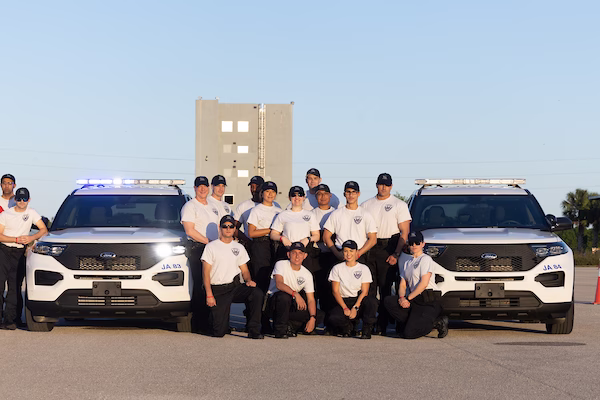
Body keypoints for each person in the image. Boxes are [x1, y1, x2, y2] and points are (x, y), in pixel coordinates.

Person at [360, 173, 412, 335]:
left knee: (385, 288)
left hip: (389, 246)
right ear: (376, 185)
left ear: (391, 186)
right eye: (381, 184)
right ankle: (369, 323)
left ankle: (383, 324)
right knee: (369, 288)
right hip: (370, 247)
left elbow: (404, 232)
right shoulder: (366, 205)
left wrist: (396, 254)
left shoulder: (399, 204)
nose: (383, 188)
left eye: (387, 185)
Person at [201, 215, 264, 339]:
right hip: (217, 289)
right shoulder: (211, 247)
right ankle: (215, 322)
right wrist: (209, 294)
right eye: (225, 226)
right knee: (219, 332)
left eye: (231, 226)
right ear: (220, 228)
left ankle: (254, 330)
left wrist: (248, 280)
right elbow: (205, 273)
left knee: (256, 293)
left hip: (234, 287)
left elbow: (245, 270)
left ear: (235, 228)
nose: (228, 229)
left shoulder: (239, 247)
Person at [384, 231, 448, 339]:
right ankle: (411, 323)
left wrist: (408, 298)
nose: (414, 246)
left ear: (423, 244)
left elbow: (423, 284)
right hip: (414, 300)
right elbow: (403, 285)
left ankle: (437, 323)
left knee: (409, 333)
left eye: (417, 243)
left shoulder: (425, 259)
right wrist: (401, 298)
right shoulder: (407, 262)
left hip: (428, 300)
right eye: (411, 243)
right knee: (389, 301)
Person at [0, 188, 47, 330]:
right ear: (15, 199)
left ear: (29, 200)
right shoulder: (5, 214)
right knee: (0, 285)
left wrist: (31, 238)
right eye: (19, 199)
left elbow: (44, 230)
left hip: (19, 253)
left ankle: (12, 320)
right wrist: (15, 239)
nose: (21, 202)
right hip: (4, 250)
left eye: (24, 199)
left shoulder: (31, 213)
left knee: (15, 287)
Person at [180, 176, 219, 332]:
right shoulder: (190, 206)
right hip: (199, 248)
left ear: (208, 187)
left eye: (205, 186)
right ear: (195, 188)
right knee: (201, 284)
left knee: (214, 284)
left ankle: (214, 321)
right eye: (199, 186)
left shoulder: (213, 206)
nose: (203, 189)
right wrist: (208, 242)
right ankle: (199, 323)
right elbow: (189, 230)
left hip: (214, 248)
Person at [265, 242, 323, 338]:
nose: (297, 256)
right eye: (294, 253)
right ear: (288, 254)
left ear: (305, 256)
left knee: (319, 315)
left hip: (291, 303)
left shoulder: (307, 274)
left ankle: (291, 326)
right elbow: (279, 284)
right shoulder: (280, 264)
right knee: (284, 297)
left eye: (300, 253)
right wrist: (295, 294)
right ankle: (280, 330)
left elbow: (311, 299)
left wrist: (312, 318)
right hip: (275, 303)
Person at [327, 240, 378, 339]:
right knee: (333, 318)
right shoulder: (337, 268)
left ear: (356, 252)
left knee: (372, 302)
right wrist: (345, 308)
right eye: (345, 251)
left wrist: (355, 308)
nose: (348, 254)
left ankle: (366, 329)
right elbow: (335, 291)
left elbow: (365, 291)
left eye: (351, 251)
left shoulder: (364, 268)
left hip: (358, 301)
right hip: (344, 300)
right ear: (342, 252)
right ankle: (348, 327)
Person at [323, 181, 377, 266]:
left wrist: (358, 253)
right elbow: (326, 236)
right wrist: (337, 253)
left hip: (359, 255)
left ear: (358, 194)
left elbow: (373, 239)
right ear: (344, 194)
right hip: (341, 255)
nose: (351, 195)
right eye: (348, 192)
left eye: (353, 192)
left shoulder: (365, 214)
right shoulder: (336, 214)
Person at [246, 181, 282, 292]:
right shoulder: (256, 210)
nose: (270, 194)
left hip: (275, 245)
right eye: (267, 191)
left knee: (274, 276)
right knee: (261, 277)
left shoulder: (279, 210)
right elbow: (251, 233)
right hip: (260, 245)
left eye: (273, 192)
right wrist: (271, 230)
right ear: (262, 193)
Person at [270, 185, 320, 263]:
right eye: (294, 195)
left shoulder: (310, 215)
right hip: (288, 250)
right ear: (289, 198)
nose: (297, 198)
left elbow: (317, 236)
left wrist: (308, 239)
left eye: (300, 195)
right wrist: (282, 238)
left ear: (304, 198)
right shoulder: (283, 214)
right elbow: (273, 234)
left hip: (304, 250)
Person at [310, 183, 337, 314]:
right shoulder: (310, 214)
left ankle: (329, 321)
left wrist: (321, 235)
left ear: (330, 196)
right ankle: (313, 318)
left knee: (330, 288)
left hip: (331, 254)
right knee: (315, 287)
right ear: (315, 196)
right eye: (319, 194)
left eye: (325, 194)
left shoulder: (336, 213)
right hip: (315, 254)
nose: (322, 197)